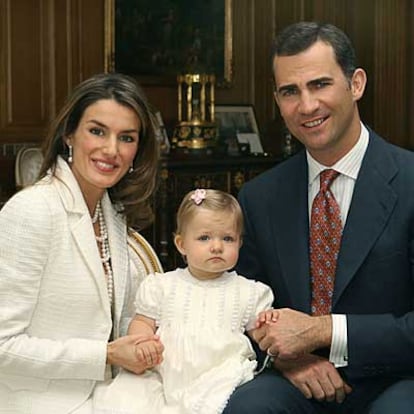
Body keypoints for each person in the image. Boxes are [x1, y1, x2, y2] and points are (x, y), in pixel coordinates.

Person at [223, 21, 414, 414]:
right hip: (297, 378)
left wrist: (322, 330)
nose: (306, 106)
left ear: (356, 84)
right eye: (290, 91)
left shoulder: (410, 181)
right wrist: (288, 358)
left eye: (320, 85)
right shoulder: (259, 197)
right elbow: (236, 306)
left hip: (397, 376)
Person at [0, 73, 164, 413]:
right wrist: (104, 355)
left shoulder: (113, 216)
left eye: (127, 138)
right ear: (68, 134)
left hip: (110, 397)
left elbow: (120, 324)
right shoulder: (31, 211)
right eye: (97, 131)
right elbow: (3, 345)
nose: (111, 150)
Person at [93, 188, 276, 414]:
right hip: (163, 372)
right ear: (181, 244)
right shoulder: (162, 286)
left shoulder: (248, 291)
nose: (217, 246)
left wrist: (266, 323)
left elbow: (261, 334)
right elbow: (143, 321)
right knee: (131, 400)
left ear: (239, 243)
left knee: (223, 402)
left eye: (227, 238)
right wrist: (141, 341)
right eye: (204, 238)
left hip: (218, 375)